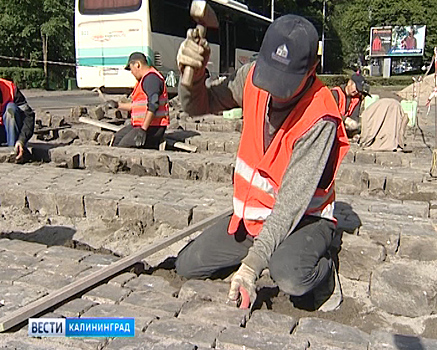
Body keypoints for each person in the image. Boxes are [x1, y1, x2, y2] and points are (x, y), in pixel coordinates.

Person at [175, 14, 350, 312]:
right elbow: (196, 105)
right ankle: (265, 251)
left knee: (291, 276)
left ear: (311, 70)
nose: (273, 90)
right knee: (187, 265)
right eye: (270, 77)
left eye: (285, 84)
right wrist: (191, 76)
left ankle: (324, 275)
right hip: (254, 220)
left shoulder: (320, 116)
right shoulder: (252, 77)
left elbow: (290, 205)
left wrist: (251, 267)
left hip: (305, 220)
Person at [106, 52, 169, 149]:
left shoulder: (151, 79)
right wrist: (117, 105)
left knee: (124, 147)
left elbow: (153, 104)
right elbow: (137, 106)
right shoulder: (144, 80)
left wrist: (143, 130)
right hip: (141, 125)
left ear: (137, 65)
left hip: (153, 127)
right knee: (117, 139)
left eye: (131, 68)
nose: (131, 72)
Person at [0, 78, 35, 162]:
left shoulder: (11, 89)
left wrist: (21, 140)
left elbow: (28, 116)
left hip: (10, 130)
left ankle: (14, 152)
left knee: (11, 109)